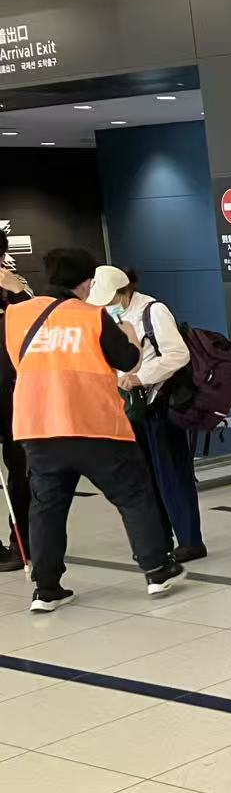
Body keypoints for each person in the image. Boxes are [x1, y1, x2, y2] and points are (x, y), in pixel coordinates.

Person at [0, 247, 184, 611]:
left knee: (47, 509)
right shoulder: (93, 317)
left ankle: (46, 590)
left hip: (39, 428)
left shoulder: (18, 315)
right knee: (133, 496)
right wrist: (129, 333)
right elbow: (129, 360)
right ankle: (157, 570)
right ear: (87, 282)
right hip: (96, 427)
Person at [88, 266, 206, 562]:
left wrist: (140, 377)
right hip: (131, 407)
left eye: (110, 298)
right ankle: (161, 538)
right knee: (145, 476)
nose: (106, 305)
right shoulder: (111, 317)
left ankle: (190, 540)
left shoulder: (153, 310)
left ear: (124, 290)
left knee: (172, 474)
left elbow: (178, 354)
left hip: (160, 404)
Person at [0, 233, 33, 572]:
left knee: (21, 470)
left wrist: (17, 292)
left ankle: (21, 541)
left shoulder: (16, 287)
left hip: (14, 392)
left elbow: (39, 326)